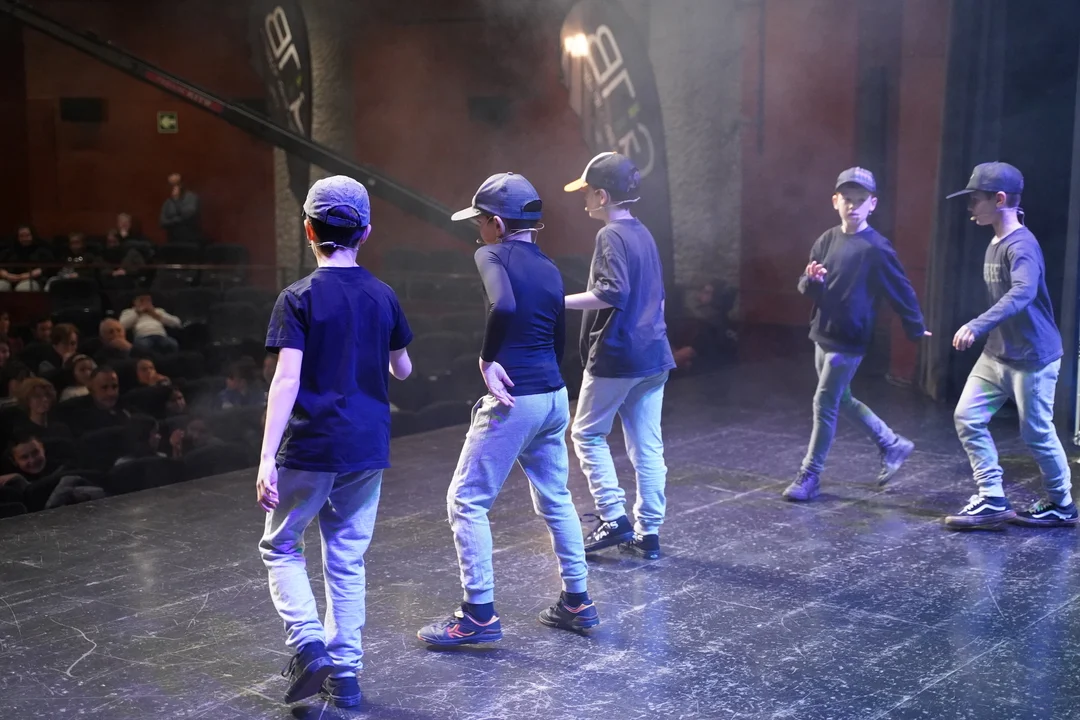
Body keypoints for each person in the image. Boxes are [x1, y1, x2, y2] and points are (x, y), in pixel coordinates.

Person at [416, 173, 597, 647]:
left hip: (515, 397)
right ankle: (578, 601)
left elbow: (504, 305)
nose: (478, 230)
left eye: (480, 221)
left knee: (466, 500)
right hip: (553, 395)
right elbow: (558, 335)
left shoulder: (490, 254)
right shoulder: (550, 266)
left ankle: (478, 614)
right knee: (556, 498)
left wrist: (487, 359)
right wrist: (544, 376)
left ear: (496, 224)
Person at [257, 176, 413, 709]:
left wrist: (266, 458)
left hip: (311, 445)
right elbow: (403, 368)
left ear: (308, 230)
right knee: (346, 555)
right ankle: (345, 674)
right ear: (365, 232)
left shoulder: (297, 297)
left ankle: (308, 644)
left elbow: (286, 380)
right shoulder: (383, 295)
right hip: (366, 447)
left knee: (281, 545)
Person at [785, 168, 930, 502]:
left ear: (872, 204)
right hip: (823, 332)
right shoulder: (826, 240)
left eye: (860, 200)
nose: (853, 205)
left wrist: (914, 324)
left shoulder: (876, 248)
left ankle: (810, 474)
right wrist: (811, 281)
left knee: (824, 402)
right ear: (835, 201)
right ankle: (891, 444)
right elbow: (807, 285)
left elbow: (901, 288)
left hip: (850, 340)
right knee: (841, 398)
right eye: (847, 199)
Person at [944, 162, 1075, 528]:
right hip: (997, 353)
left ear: (999, 199)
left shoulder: (1022, 246)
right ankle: (992, 498)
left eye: (975, 199)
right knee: (968, 417)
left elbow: (1023, 292)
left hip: (1033, 356)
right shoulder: (996, 241)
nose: (970, 207)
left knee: (1036, 433)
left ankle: (1062, 503)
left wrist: (976, 324)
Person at [561, 152, 676, 559]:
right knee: (647, 446)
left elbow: (611, 292)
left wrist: (557, 301)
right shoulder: (643, 233)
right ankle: (648, 532)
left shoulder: (610, 235)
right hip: (653, 354)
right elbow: (659, 298)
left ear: (603, 196)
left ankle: (613, 516)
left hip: (619, 355)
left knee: (586, 433)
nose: (584, 199)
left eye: (588, 192)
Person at [65, 366, 127, 437]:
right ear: (90, 389)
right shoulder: (77, 414)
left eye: (114, 386)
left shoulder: (125, 406)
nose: (111, 393)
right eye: (104, 387)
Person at [0, 225, 52, 292]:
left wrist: (27, 275)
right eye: (21, 236)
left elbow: (46, 268)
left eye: (27, 235)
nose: (25, 239)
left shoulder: (42, 250)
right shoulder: (9, 250)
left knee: (23, 289)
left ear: (33, 236)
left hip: (32, 279)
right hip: (8, 278)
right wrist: (7, 275)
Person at [160, 173, 202, 244]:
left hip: (190, 239)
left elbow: (188, 215)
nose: (174, 187)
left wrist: (176, 201)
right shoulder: (168, 202)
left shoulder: (191, 197)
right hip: (172, 240)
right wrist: (178, 219)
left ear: (182, 184)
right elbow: (162, 222)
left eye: (176, 184)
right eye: (171, 184)